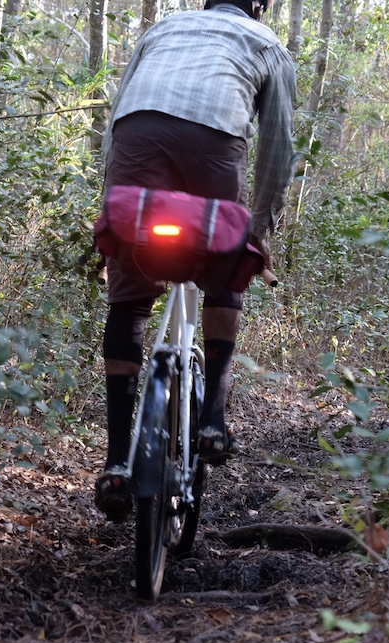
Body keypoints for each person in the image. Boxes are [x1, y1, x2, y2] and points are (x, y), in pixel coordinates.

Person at [94, 0, 296, 522]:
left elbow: (118, 116)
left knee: (130, 301)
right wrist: (256, 230)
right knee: (225, 269)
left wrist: (115, 220)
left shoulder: (164, 27)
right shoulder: (266, 43)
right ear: (259, 5)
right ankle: (212, 422)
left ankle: (117, 463)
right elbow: (277, 148)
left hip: (135, 137)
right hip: (214, 142)